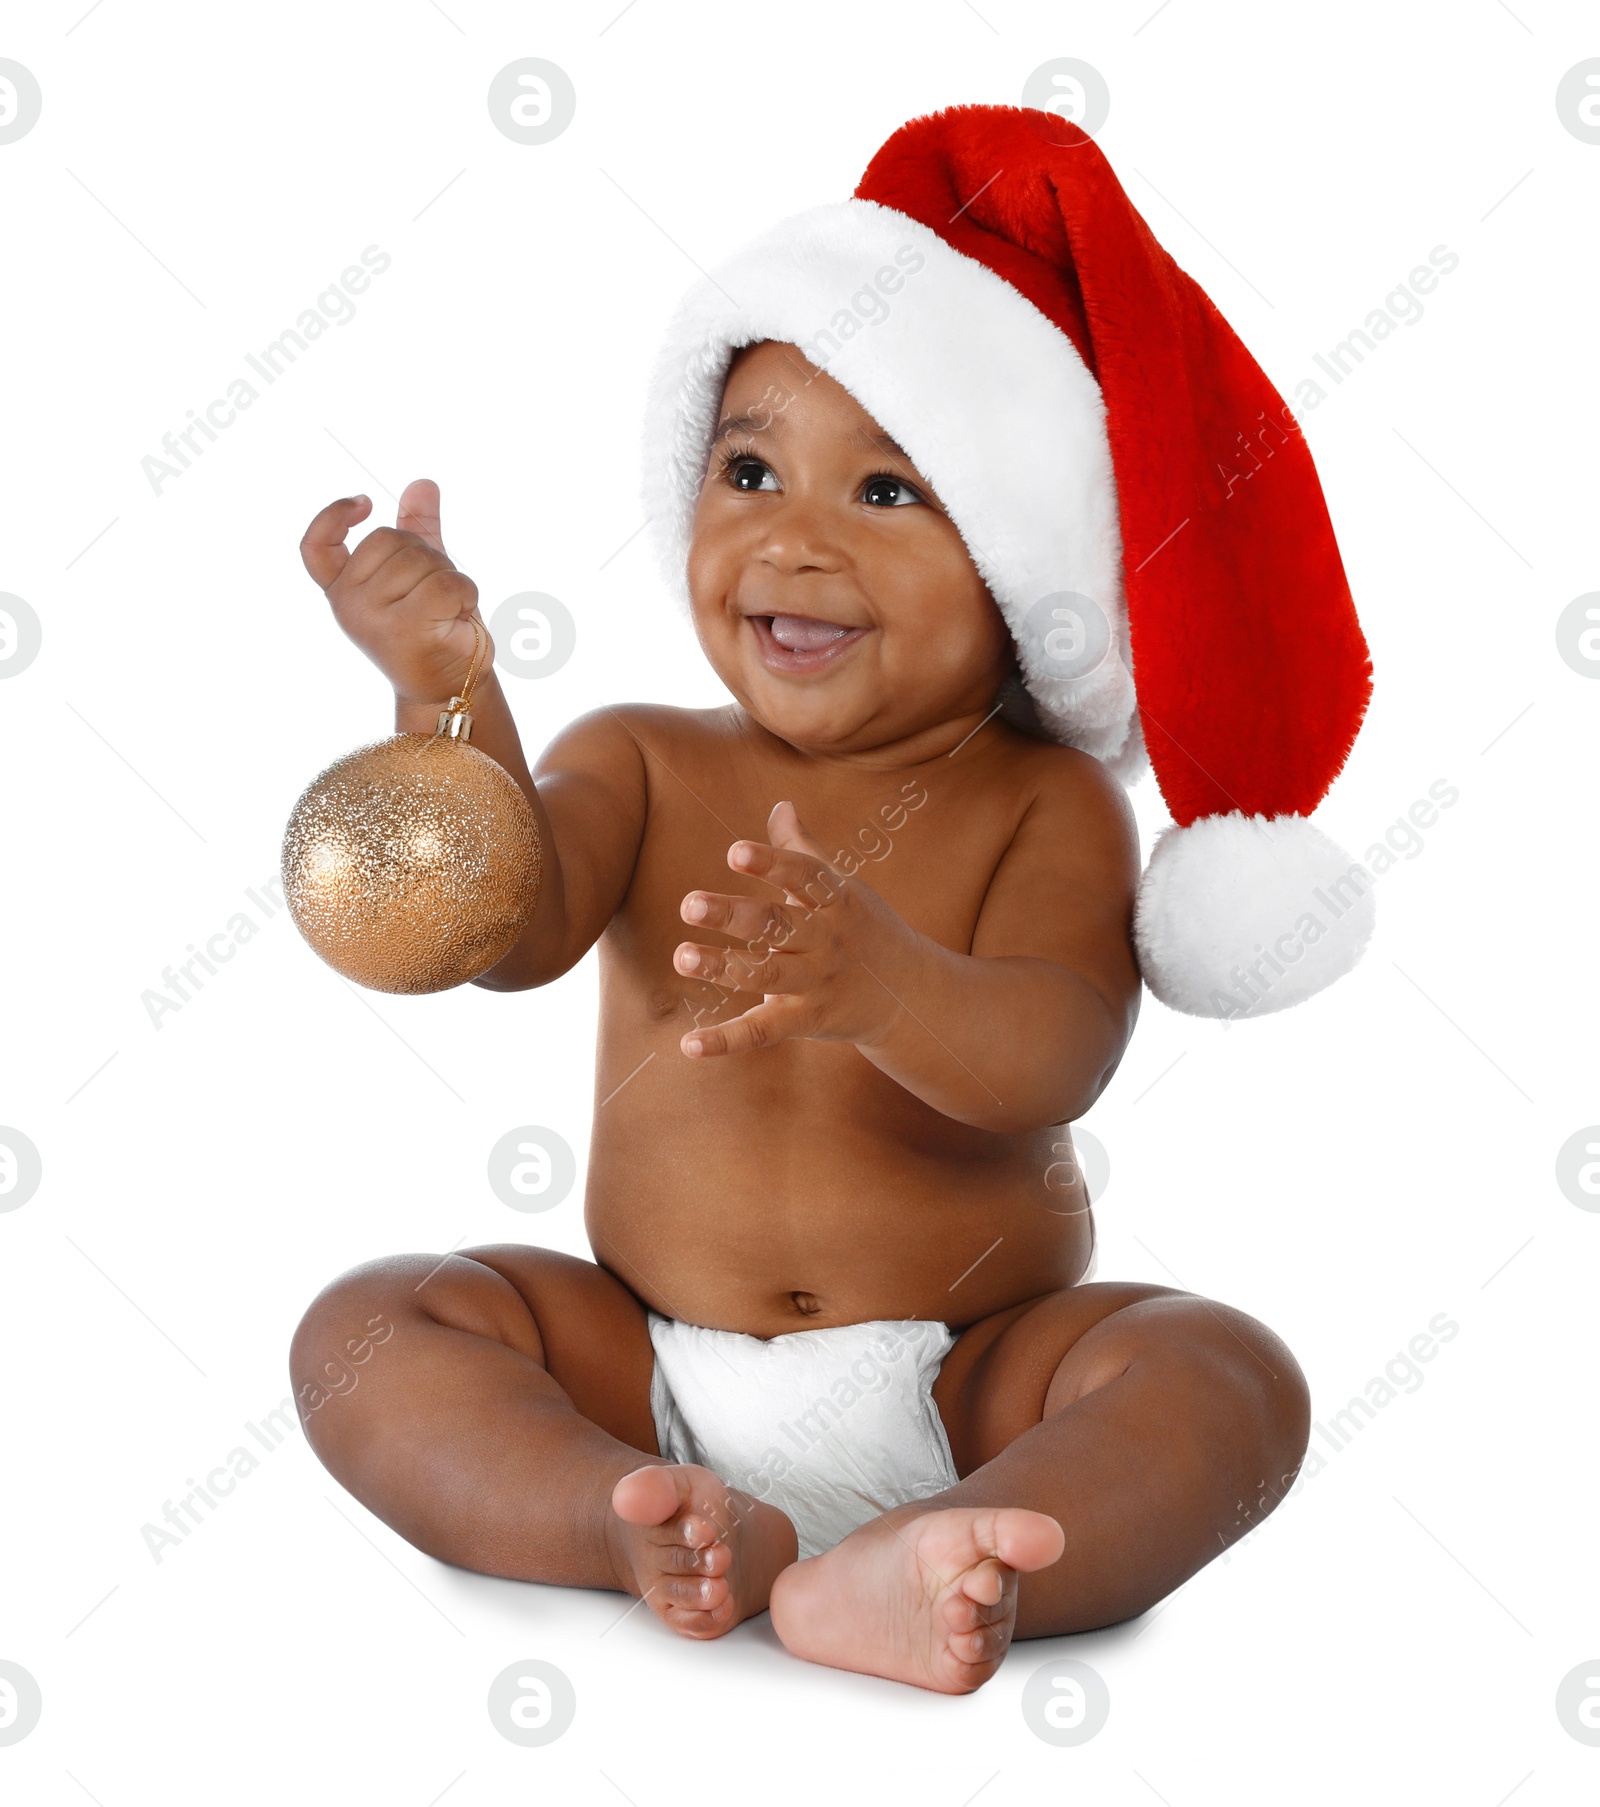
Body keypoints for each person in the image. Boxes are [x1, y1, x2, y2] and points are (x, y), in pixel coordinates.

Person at [290, 104, 1372, 1695]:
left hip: (967, 1381)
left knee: (1226, 1379)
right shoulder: (640, 760)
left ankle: (955, 1545)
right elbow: (506, 933)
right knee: (367, 1335)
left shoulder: (1045, 801)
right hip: (640, 1356)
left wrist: (887, 987)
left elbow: (1056, 1057)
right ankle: (629, 1518)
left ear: (1015, 567)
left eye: (886, 495)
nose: (791, 541)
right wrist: (451, 701)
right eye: (749, 469)